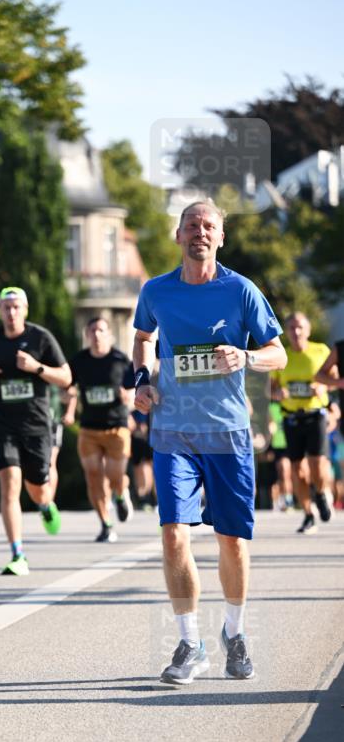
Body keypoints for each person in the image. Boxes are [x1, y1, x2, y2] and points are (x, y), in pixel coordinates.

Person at [133, 200, 286, 685]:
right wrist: (141, 378)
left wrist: (245, 357)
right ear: (177, 235)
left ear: (221, 237)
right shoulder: (156, 291)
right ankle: (189, 642)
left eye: (209, 226)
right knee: (174, 533)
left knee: (232, 542)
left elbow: (277, 354)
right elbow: (143, 338)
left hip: (228, 433)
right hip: (174, 432)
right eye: (192, 225)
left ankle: (235, 634)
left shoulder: (241, 290)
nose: (200, 232)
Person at [0, 286, 71, 575]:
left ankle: (45, 505)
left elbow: (66, 378)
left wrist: (37, 367)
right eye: (6, 307)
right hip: (4, 425)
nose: (11, 312)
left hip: (36, 426)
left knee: (38, 490)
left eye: (16, 307)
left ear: (25, 310)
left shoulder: (40, 338)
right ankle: (18, 554)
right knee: (9, 484)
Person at [65, 315, 135, 542]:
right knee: (93, 475)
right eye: (92, 330)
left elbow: (134, 391)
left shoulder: (120, 360)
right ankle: (106, 523)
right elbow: (68, 385)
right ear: (86, 335)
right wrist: (67, 401)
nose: (96, 334)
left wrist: (129, 398)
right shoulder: (79, 360)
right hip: (89, 428)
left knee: (115, 476)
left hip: (117, 427)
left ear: (109, 335)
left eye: (101, 330)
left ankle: (121, 493)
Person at [270, 313, 332, 533]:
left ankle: (322, 492)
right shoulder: (282, 356)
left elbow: (332, 381)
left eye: (300, 327)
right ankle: (307, 513)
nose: (296, 332)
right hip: (291, 417)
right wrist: (279, 392)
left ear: (308, 329)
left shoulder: (321, 351)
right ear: (286, 331)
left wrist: (322, 388)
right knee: (297, 469)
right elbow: (272, 389)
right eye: (291, 328)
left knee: (316, 464)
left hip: (316, 414)